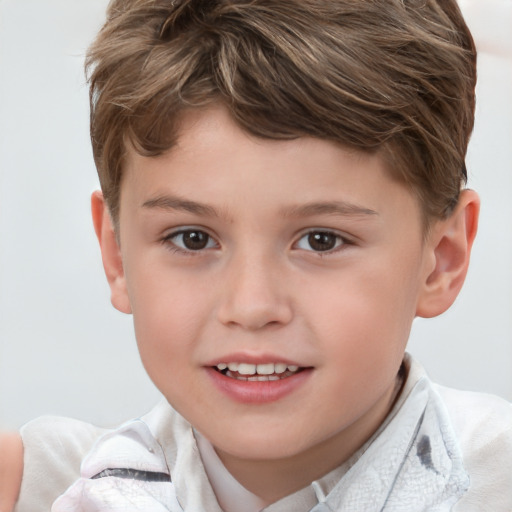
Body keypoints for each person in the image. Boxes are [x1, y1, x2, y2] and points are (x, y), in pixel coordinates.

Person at [2, 0, 511, 510]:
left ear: (441, 259)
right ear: (117, 255)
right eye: (192, 239)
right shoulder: (37, 486)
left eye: (321, 240)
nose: (251, 306)